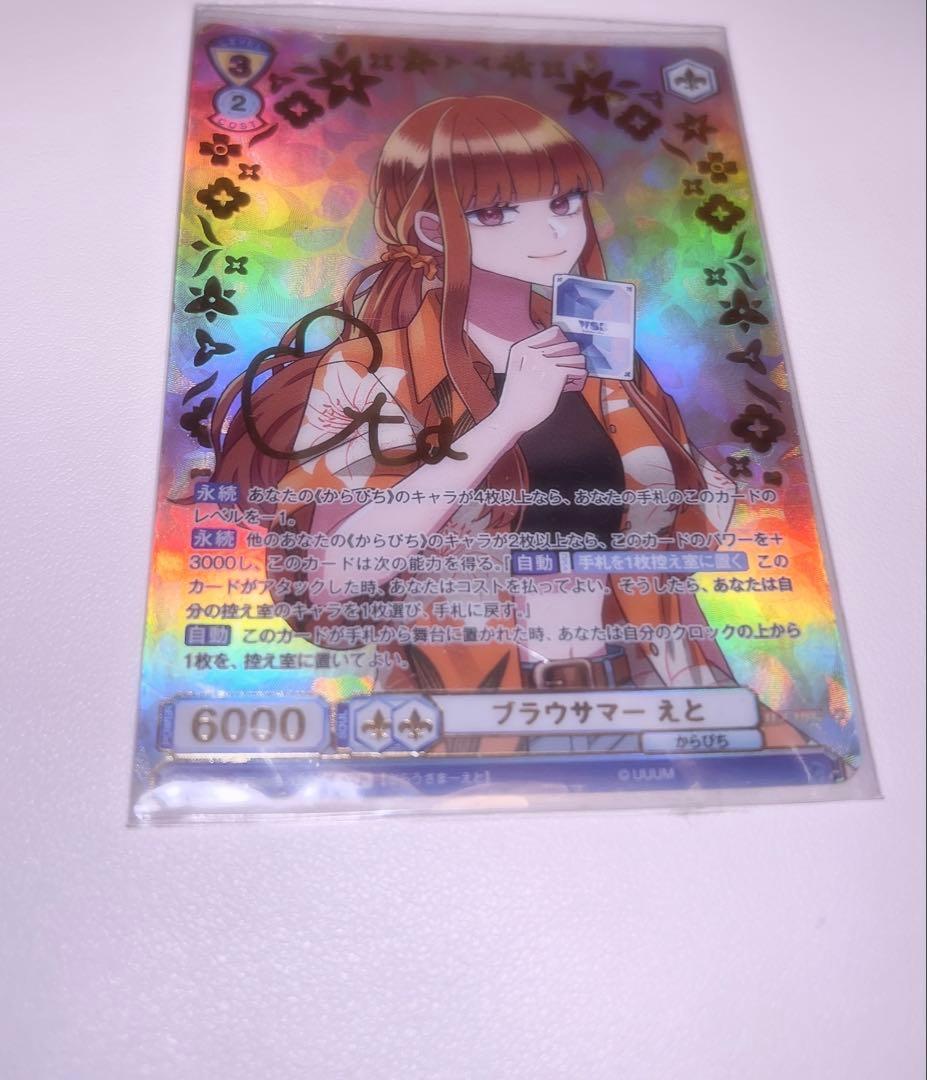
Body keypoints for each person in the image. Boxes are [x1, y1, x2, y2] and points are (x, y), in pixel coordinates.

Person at [212, 94, 801, 750]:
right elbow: (327, 586)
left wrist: (697, 494)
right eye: (496, 213)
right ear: (433, 229)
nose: (552, 233)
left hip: (643, 695)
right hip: (469, 715)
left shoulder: (606, 359)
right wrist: (505, 421)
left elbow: (679, 528)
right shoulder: (371, 369)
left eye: (564, 202)